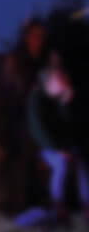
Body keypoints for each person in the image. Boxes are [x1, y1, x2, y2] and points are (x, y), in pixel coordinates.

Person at [27, 65, 89, 221]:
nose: (63, 82)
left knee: (82, 159)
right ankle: (58, 204)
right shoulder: (36, 98)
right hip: (44, 148)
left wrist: (65, 104)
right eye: (59, 79)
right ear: (49, 82)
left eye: (63, 78)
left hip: (64, 146)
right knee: (61, 163)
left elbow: (70, 128)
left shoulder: (60, 99)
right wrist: (59, 149)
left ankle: (86, 203)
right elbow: (39, 131)